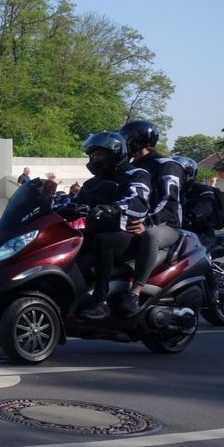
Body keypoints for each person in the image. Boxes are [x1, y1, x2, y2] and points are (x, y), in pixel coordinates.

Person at [71, 131, 152, 319]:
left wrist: (112, 208)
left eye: (99, 155)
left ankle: (101, 302)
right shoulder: (92, 183)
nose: (94, 159)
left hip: (126, 235)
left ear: (115, 153)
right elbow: (75, 202)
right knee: (70, 240)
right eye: (92, 155)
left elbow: (138, 199)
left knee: (103, 241)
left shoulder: (136, 174)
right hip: (95, 231)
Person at [121, 119, 184, 315]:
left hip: (166, 225)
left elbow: (169, 202)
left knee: (151, 236)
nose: (124, 143)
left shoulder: (166, 165)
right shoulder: (127, 167)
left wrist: (147, 223)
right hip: (134, 221)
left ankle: (135, 291)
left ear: (140, 139)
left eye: (127, 138)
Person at [174, 155, 223, 248]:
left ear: (189, 174)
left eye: (177, 173)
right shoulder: (173, 191)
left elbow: (205, 208)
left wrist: (191, 216)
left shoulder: (203, 190)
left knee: (194, 254)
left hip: (201, 233)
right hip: (178, 232)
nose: (174, 176)